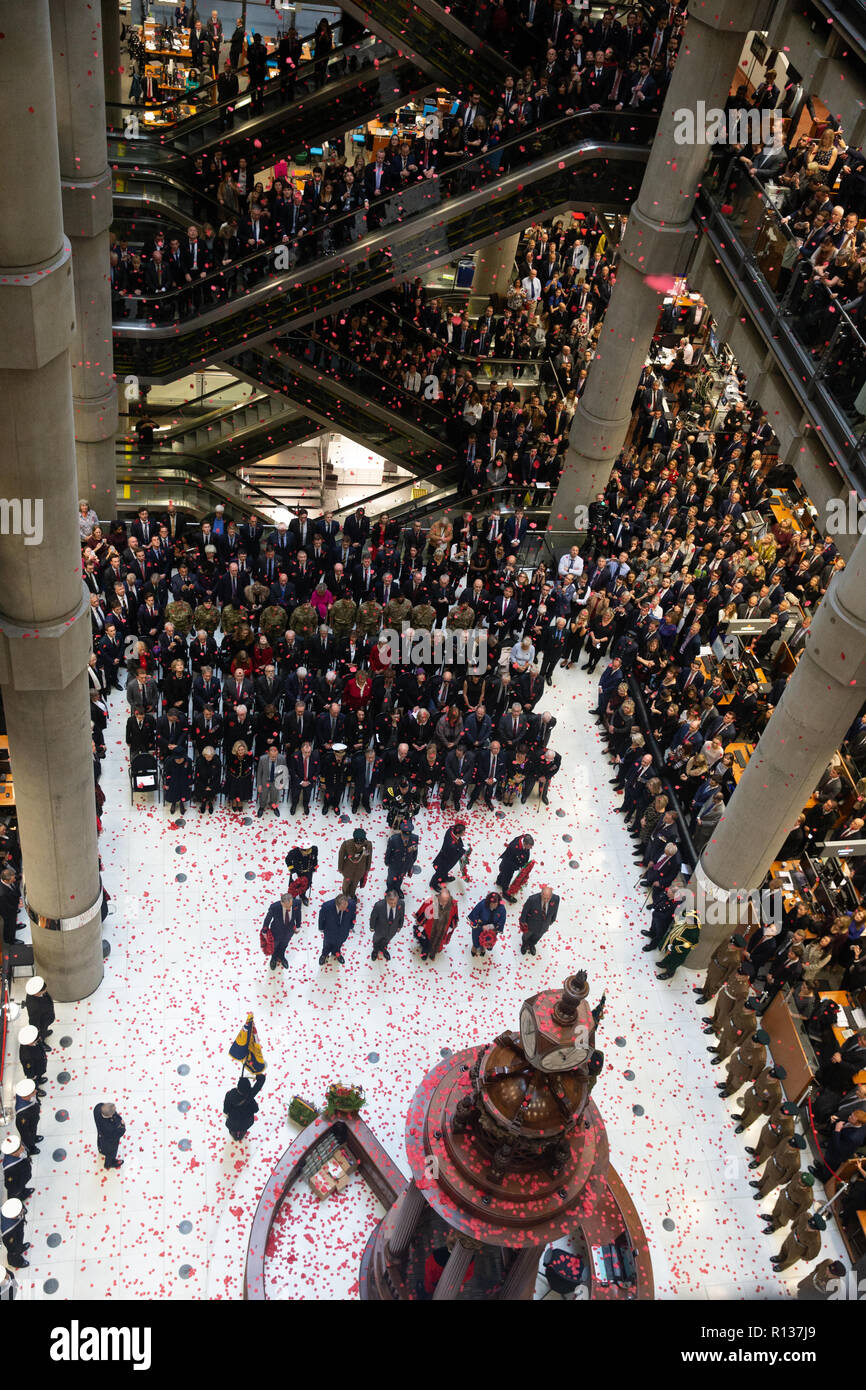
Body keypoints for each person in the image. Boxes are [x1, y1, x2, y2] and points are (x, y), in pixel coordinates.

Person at [413, 886, 458, 961]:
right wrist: (420, 925)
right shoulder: (431, 901)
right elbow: (423, 913)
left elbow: (454, 916)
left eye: (446, 901)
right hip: (429, 928)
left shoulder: (453, 904)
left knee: (438, 944)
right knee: (426, 941)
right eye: (443, 900)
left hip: (443, 928)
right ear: (439, 896)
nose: (444, 903)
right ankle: (425, 950)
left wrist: (451, 927)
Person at [261, 890, 303, 970]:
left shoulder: (297, 903)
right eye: (287, 906)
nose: (289, 908)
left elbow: (298, 914)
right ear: (282, 903)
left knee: (284, 944)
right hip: (276, 930)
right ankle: (273, 958)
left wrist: (298, 926)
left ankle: (281, 956)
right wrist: (264, 930)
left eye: (290, 905)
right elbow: (268, 919)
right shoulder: (274, 907)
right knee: (275, 945)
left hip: (289, 930)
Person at [519, 884, 559, 955]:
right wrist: (522, 921)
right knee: (526, 936)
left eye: (548, 898)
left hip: (544, 925)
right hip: (531, 924)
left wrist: (552, 920)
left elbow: (555, 909)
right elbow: (525, 911)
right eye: (544, 898)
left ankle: (532, 945)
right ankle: (524, 945)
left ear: (551, 896)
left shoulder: (556, 899)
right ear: (541, 894)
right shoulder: (532, 899)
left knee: (537, 937)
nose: (546, 900)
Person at [223, 1073, 265, 1140]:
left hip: (232, 1122)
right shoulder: (251, 1094)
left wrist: (226, 1113)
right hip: (246, 1122)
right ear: (249, 1088)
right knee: (243, 1128)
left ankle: (234, 1135)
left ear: (238, 1087)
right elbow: (262, 1079)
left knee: (233, 1128)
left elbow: (226, 1109)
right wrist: (253, 1076)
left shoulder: (230, 1094)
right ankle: (242, 1135)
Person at [318, 892, 356, 965]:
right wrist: (321, 928)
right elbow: (321, 918)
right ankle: (324, 955)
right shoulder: (326, 907)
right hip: (330, 930)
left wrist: (351, 926)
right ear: (337, 905)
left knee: (339, 943)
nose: (345, 909)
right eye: (343, 908)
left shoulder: (351, 905)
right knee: (327, 944)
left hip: (343, 930)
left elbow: (353, 916)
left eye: (346, 907)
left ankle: (336, 952)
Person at [496, 833, 534, 903]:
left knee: (503, 874)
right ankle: (505, 893)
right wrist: (519, 867)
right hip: (508, 864)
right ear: (525, 844)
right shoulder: (513, 847)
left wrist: (524, 864)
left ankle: (499, 881)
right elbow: (509, 861)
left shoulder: (526, 837)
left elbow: (525, 853)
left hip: (513, 861)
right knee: (507, 877)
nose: (530, 848)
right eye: (529, 847)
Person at [430, 821, 469, 889]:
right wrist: (464, 850)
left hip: (445, 854)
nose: (464, 833)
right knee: (439, 873)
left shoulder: (451, 830)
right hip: (446, 860)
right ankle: (433, 883)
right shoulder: (451, 846)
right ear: (458, 834)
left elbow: (452, 826)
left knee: (445, 872)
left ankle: (445, 878)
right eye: (463, 833)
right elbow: (457, 856)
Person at [385, 818, 419, 895]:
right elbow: (388, 852)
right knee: (391, 878)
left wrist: (412, 862)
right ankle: (389, 890)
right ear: (401, 832)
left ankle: (397, 888)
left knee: (400, 877)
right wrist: (387, 862)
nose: (406, 837)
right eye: (404, 835)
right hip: (394, 863)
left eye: (408, 835)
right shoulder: (393, 839)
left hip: (406, 864)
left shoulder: (415, 838)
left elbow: (415, 851)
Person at [369, 888, 405, 961]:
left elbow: (401, 915)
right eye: (391, 903)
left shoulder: (401, 904)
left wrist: (400, 926)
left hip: (392, 929)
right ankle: (375, 950)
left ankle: (383, 948)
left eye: (395, 903)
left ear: (397, 899)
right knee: (376, 940)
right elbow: (373, 917)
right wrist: (372, 927)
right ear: (387, 899)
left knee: (387, 940)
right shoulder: (379, 905)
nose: (393, 905)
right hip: (380, 929)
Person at [469, 891, 506, 958]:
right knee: (476, 937)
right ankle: (475, 946)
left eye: (496, 903)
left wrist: (492, 926)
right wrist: (481, 926)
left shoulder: (502, 908)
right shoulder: (482, 904)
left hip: (492, 929)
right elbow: (474, 915)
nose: (494, 905)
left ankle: (483, 946)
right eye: (492, 903)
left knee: (489, 939)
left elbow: (502, 920)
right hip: (480, 926)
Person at [338, 827, 372, 899]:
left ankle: (352, 895)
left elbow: (369, 857)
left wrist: (367, 869)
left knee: (355, 884)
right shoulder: (346, 844)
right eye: (356, 843)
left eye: (360, 843)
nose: (358, 845)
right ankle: (344, 895)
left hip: (360, 870)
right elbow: (341, 856)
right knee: (346, 884)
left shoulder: (368, 845)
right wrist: (340, 868)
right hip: (348, 869)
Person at [256, 743, 287, 818]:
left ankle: (273, 806)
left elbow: (284, 772)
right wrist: (259, 784)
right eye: (272, 757)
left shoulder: (282, 759)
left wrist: (282, 783)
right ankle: (262, 807)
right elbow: (259, 773)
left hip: (276, 781)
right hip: (265, 781)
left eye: (275, 756)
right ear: (268, 754)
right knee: (263, 795)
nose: (274, 758)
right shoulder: (262, 759)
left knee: (274, 795)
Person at [93, 1101, 126, 1170]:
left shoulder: (98, 1108)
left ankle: (101, 1150)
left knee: (101, 1141)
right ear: (110, 1115)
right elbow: (119, 1133)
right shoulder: (110, 1127)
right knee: (111, 1152)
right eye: (114, 1111)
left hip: (101, 1134)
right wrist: (122, 1125)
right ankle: (109, 1164)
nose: (116, 1111)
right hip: (110, 1141)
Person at [14, 1078, 42, 1156]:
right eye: (33, 1092)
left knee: (33, 1129)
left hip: (32, 1119)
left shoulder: (26, 1094)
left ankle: (34, 1137)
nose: (36, 1092)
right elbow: (25, 1132)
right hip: (26, 1125)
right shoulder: (22, 1114)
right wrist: (30, 1140)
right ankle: (31, 1148)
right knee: (28, 1137)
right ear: (25, 1096)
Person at [24, 976, 54, 1047]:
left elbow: (46, 996)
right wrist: (37, 1031)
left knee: (45, 1028)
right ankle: (41, 1042)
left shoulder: (41, 991)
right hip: (41, 1022)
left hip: (47, 1015)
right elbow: (33, 1021)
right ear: (37, 992)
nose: (45, 991)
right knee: (41, 1033)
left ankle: (45, 1032)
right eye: (43, 991)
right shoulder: (33, 1006)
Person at [1, 1198, 29, 1269]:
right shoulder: (7, 1230)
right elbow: (10, 1245)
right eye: (20, 1211)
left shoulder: (14, 1204)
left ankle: (20, 1247)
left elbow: (23, 1209)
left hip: (18, 1229)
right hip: (12, 1236)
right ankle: (16, 1262)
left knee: (20, 1240)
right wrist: (15, 1249)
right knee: (14, 1251)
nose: (22, 1211)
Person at [1, 1137, 32, 1202]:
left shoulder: (19, 1150)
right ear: (13, 1153)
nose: (23, 1148)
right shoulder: (10, 1168)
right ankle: (20, 1205)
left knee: (22, 1187)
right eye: (19, 1149)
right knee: (15, 1197)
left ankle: (24, 1192)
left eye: (21, 1145)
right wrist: (17, 1191)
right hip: (17, 1186)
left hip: (23, 1179)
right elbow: (10, 1185)